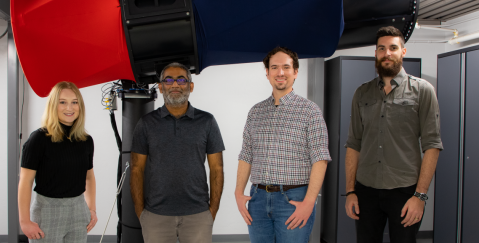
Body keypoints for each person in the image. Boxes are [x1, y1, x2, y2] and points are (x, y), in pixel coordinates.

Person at [344, 26, 443, 243]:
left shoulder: (423, 90)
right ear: (376, 53)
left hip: (405, 191)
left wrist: (420, 196)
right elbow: (353, 144)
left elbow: (432, 145)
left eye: (393, 48)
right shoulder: (362, 93)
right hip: (366, 191)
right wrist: (350, 191)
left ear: (403, 52)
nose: (387, 53)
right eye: (381, 48)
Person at [235, 47, 331, 243]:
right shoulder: (256, 112)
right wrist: (238, 192)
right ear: (267, 73)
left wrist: (309, 202)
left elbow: (320, 159)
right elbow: (246, 155)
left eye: (286, 67)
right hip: (258, 199)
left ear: (295, 72)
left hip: (294, 200)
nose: (280, 73)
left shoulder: (310, 111)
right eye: (274, 67)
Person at [130, 62, 225, 243]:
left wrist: (211, 211)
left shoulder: (207, 121)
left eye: (181, 80)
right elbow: (136, 169)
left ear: (191, 86)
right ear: (160, 86)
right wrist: (141, 213)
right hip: (155, 215)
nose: (175, 85)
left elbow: (217, 169)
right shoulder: (146, 123)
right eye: (169, 80)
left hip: (198, 214)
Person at [18, 81, 97, 242]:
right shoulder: (38, 139)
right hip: (47, 212)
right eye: (63, 102)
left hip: (78, 211)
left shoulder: (86, 140)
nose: (70, 108)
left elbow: (89, 177)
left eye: (74, 102)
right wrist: (24, 221)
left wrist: (92, 209)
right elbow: (25, 181)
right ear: (53, 105)